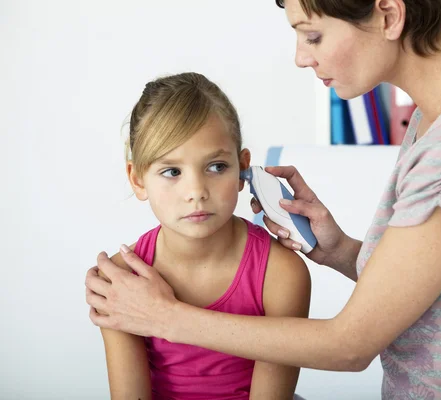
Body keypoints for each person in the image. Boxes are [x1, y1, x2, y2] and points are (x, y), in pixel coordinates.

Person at [85, 0, 441, 398]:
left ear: (388, 15)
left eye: (312, 34)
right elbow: (439, 294)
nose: (301, 56)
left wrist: (164, 318)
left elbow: (350, 346)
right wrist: (339, 250)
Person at [94, 72, 311, 400]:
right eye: (172, 172)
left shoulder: (280, 274)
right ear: (137, 179)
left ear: (242, 168)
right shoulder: (121, 281)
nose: (196, 192)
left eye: (216, 167)